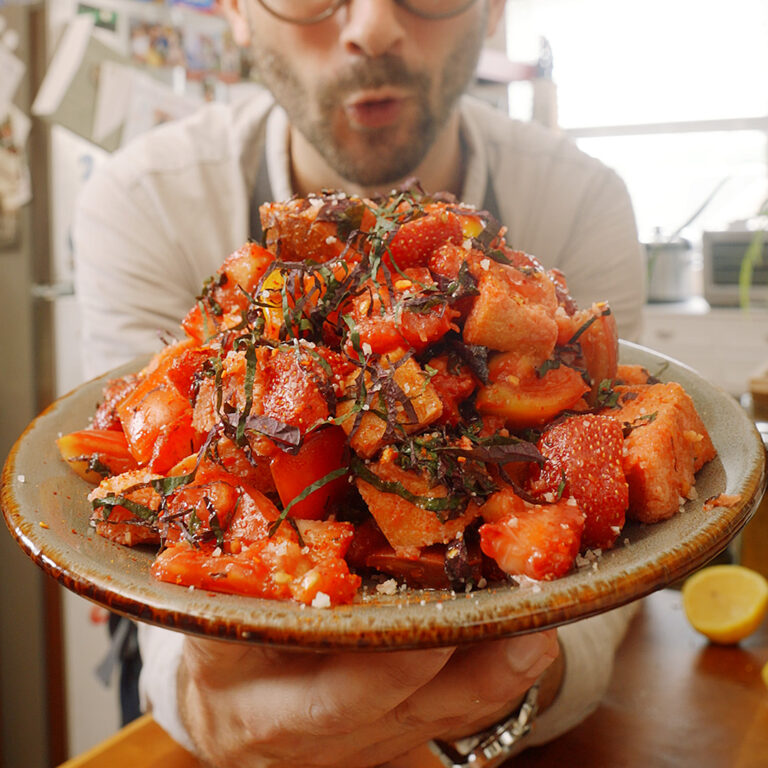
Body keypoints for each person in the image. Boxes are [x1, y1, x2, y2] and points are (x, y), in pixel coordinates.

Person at [72, 1, 645, 765]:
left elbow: (624, 557)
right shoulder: (143, 197)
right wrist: (199, 706)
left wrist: (495, 705)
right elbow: (135, 508)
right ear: (238, 9)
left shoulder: (583, 196)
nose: (372, 24)